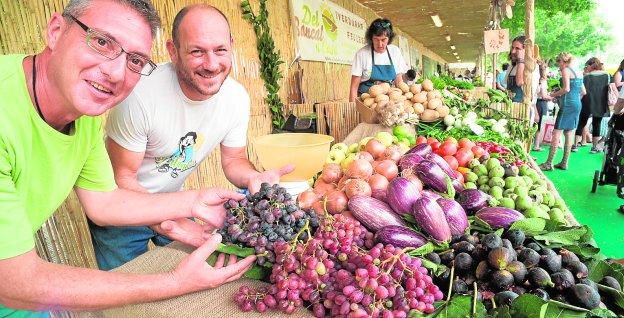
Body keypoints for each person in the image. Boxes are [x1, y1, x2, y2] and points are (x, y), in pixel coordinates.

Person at [0, 0, 257, 315]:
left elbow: (105, 203)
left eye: (135, 60)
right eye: (102, 42)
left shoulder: (87, 117)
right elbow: (15, 283)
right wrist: (175, 281)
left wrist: (194, 202)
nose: (115, 72)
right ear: (55, 31)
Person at [89, 4, 293, 271]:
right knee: (126, 291)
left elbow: (234, 160)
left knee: (191, 284)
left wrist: (252, 177)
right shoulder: (139, 94)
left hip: (177, 203)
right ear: (173, 51)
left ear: (231, 45)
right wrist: (168, 219)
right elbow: (122, 178)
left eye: (220, 50)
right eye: (197, 51)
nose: (211, 64)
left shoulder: (236, 98)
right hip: (122, 210)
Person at [539, 52, 586, 170]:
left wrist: (553, 95)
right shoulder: (578, 71)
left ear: (563, 61)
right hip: (576, 104)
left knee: (557, 132)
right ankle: (564, 162)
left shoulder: (566, 70)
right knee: (569, 132)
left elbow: (566, 89)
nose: (558, 65)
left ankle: (549, 163)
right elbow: (583, 92)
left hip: (567, 105)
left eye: (558, 62)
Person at [349, 18, 408, 101]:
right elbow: (354, 87)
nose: (380, 44)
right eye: (376, 39)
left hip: (387, 99)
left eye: (383, 40)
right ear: (371, 38)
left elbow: (398, 80)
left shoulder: (395, 51)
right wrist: (353, 109)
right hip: (366, 99)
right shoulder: (362, 54)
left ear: (389, 38)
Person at [573, 57, 610, 154]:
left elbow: (582, 91)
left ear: (591, 65)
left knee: (581, 123)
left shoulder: (586, 76)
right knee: (596, 124)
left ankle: (575, 145)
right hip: (600, 102)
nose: (586, 67)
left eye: (587, 66)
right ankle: (594, 147)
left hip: (586, 102)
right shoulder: (606, 75)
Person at [533, 61, 553, 151]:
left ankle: (533, 144)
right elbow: (544, 95)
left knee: (533, 124)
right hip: (541, 103)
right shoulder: (543, 81)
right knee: (539, 125)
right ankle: (536, 145)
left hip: (535, 102)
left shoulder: (535, 79)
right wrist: (552, 97)